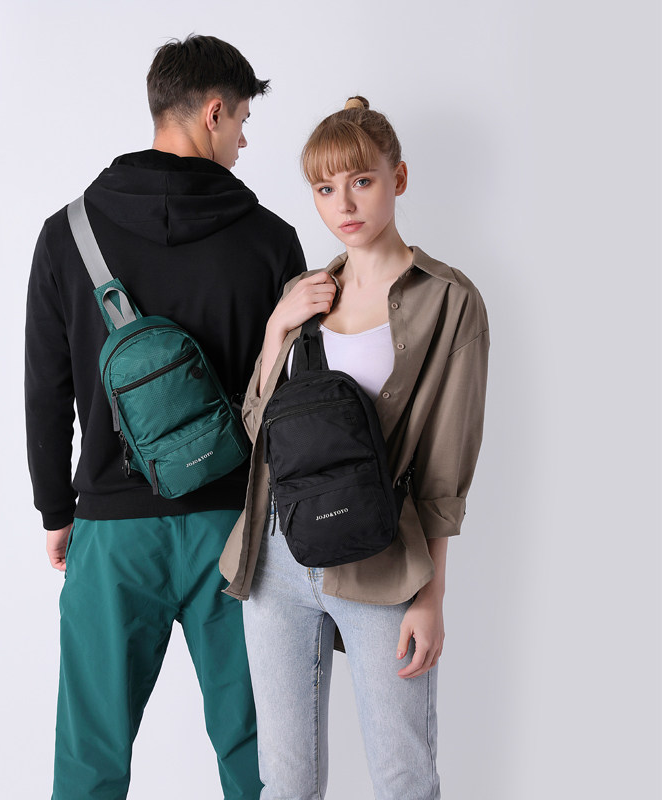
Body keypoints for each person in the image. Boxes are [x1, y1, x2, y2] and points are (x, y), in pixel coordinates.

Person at [25, 35, 306, 800]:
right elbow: (296, 399)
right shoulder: (270, 240)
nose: (243, 140)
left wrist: (57, 510)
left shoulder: (67, 234)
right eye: (242, 120)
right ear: (212, 112)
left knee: (89, 763)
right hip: (238, 536)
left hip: (112, 532)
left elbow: (45, 389)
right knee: (260, 763)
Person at [219, 97, 489, 799]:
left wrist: (431, 596)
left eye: (361, 181)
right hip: (276, 561)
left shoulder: (448, 300)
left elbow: (445, 467)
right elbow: (259, 433)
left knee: (403, 778)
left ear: (399, 178)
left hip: (383, 565)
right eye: (324, 187)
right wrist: (276, 330)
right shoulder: (305, 293)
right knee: (285, 783)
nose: (343, 204)